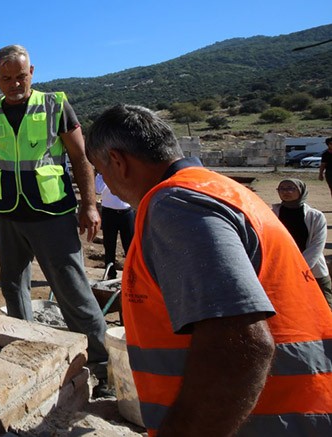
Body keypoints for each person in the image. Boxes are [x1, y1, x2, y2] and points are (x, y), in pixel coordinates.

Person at [86, 104, 332, 435]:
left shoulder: (176, 205)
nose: (105, 184)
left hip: (266, 422)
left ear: (118, 161)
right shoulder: (217, 189)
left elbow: (238, 347)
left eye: (101, 171)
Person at [0, 44, 109, 366]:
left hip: (52, 214)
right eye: (7, 78)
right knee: (13, 287)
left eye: (21, 76)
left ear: (31, 72)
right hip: (6, 214)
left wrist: (89, 205)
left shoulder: (55, 106)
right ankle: (26, 352)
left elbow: (80, 157)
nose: (15, 84)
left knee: (72, 289)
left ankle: (101, 362)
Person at [272, 178, 332, 309]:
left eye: (290, 188)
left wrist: (299, 267)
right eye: (282, 189)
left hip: (311, 268)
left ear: (301, 191)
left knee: (324, 306)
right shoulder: (272, 214)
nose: (286, 192)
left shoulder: (316, 216)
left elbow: (317, 245)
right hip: (282, 268)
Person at [95, 173, 134, 279]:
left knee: (129, 246)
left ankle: (132, 275)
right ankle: (111, 274)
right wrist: (105, 174)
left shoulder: (126, 171)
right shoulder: (101, 175)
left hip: (126, 212)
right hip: (109, 213)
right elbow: (98, 189)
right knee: (109, 245)